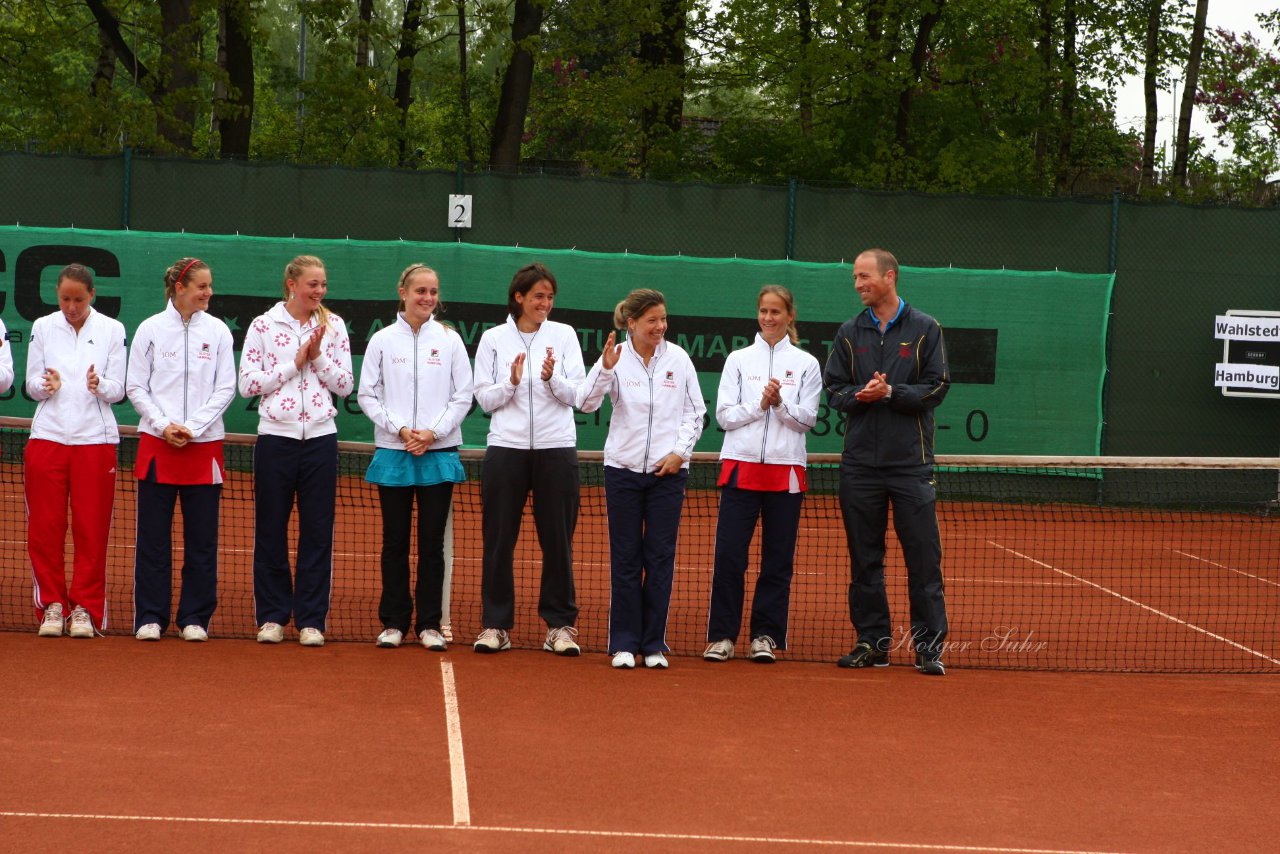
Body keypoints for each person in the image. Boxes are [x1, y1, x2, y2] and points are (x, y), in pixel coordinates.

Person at [823, 248, 951, 675]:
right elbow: (834, 392)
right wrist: (861, 396)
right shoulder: (848, 332)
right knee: (865, 561)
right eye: (855, 278)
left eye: (864, 277)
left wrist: (893, 393)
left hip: (912, 467)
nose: (858, 284)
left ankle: (928, 648)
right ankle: (872, 643)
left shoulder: (925, 328)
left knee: (923, 560)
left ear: (890, 276)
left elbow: (937, 387)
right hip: (860, 467)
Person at [581, 289, 705, 669]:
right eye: (651, 320)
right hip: (622, 472)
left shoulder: (679, 359)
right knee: (626, 559)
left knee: (660, 558)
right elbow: (586, 404)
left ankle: (652, 644)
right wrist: (603, 370)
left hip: (668, 475)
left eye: (663, 319)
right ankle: (622, 642)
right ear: (631, 323)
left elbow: (695, 414)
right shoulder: (615, 360)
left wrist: (679, 453)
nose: (660, 326)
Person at [471, 262, 586, 657]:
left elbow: (580, 395)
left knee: (558, 542)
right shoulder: (493, 339)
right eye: (538, 296)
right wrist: (512, 383)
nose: (545, 303)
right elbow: (484, 398)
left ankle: (560, 626)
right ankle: (496, 625)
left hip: (556, 448)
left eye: (550, 297)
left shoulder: (565, 336)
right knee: (499, 541)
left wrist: (553, 379)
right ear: (519, 297)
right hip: (507, 449)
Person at [238, 254, 353, 647]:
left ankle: (311, 620)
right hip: (275, 439)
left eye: (323, 285)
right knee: (271, 529)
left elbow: (345, 385)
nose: (319, 291)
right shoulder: (263, 326)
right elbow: (248, 385)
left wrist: (317, 357)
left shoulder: (333, 326)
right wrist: (293, 363)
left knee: (317, 532)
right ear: (292, 284)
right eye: (312, 285)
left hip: (321, 439)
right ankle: (271, 617)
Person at [703, 285, 821, 664]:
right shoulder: (738, 360)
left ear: (789, 317)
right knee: (729, 558)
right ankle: (722, 636)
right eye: (764, 311)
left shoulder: (806, 364)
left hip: (786, 475)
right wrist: (760, 405)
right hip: (740, 471)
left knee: (777, 560)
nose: (769, 318)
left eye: (776, 312)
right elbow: (724, 416)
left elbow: (808, 420)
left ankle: (765, 637)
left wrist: (781, 405)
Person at [358, 264, 473, 651]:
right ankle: (393, 622)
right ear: (402, 292)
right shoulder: (382, 340)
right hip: (395, 451)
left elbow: (463, 395)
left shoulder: (451, 341)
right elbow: (367, 394)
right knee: (394, 542)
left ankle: (429, 625)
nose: (427, 298)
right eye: (420, 291)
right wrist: (402, 430)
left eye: (433, 292)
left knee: (431, 543)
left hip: (437, 453)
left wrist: (432, 433)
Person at [127, 258, 236, 642]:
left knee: (202, 541)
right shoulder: (150, 329)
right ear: (179, 288)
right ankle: (150, 617)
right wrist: (164, 425)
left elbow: (226, 388)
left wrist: (193, 427)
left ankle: (194, 618)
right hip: (158, 446)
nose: (208, 293)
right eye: (202, 286)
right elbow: (136, 386)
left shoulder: (220, 331)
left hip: (202, 447)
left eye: (209, 286)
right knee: (153, 539)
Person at [27, 263, 127, 639]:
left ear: (92, 296)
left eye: (79, 299)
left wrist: (99, 384)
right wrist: (45, 384)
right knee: (45, 528)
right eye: (65, 298)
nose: (71, 306)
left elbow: (119, 389)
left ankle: (84, 607)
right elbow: (31, 383)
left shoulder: (112, 330)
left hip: (95, 442)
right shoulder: (42, 327)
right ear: (58, 295)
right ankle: (52, 605)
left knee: (91, 528)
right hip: (47, 438)